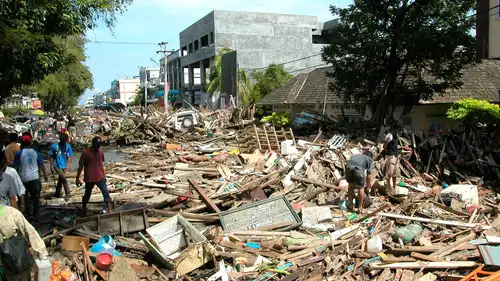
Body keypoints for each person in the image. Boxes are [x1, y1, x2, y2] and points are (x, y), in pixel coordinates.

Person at [0, 204, 48, 281]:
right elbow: (29, 231)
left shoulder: (11, 212)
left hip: (13, 264)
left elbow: (29, 231)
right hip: (15, 261)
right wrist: (42, 252)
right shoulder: (11, 212)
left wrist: (42, 251)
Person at [13, 135, 48, 218]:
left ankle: (27, 213)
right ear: (30, 143)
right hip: (34, 178)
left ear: (21, 143)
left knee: (24, 198)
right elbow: (41, 165)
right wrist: (45, 175)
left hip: (23, 179)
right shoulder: (36, 152)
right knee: (35, 197)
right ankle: (36, 212)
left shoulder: (19, 153)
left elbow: (15, 166)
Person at [76, 136, 111, 214]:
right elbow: (81, 166)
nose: (98, 147)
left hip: (100, 176)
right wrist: (77, 178)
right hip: (89, 178)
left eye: (99, 146)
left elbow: (100, 164)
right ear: (93, 144)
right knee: (87, 195)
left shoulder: (100, 151)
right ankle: (84, 207)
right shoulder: (85, 153)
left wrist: (104, 175)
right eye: (97, 145)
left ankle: (106, 209)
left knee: (106, 193)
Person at [345, 150, 374, 214]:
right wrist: (369, 185)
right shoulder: (369, 159)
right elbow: (369, 175)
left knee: (350, 187)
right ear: (370, 157)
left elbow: (348, 163)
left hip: (348, 168)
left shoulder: (356, 156)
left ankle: (351, 206)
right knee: (361, 188)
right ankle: (360, 208)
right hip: (358, 169)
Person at [49, 133, 73, 200]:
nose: (63, 142)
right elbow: (51, 157)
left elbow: (69, 157)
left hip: (64, 166)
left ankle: (57, 193)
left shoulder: (68, 147)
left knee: (61, 180)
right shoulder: (54, 146)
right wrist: (51, 166)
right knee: (64, 179)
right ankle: (68, 193)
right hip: (57, 165)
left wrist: (68, 165)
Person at [383, 126, 400, 195]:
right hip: (391, 156)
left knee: (395, 173)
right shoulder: (390, 135)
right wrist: (387, 151)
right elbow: (385, 145)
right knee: (389, 173)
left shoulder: (396, 136)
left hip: (395, 156)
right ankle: (388, 189)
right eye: (397, 129)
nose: (398, 131)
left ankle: (394, 187)